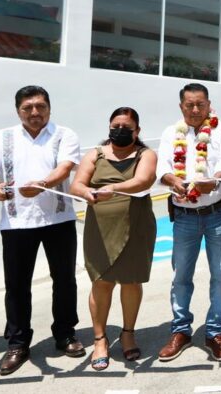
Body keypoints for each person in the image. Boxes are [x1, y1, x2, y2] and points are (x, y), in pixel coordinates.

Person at [0, 85, 84, 375]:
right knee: (16, 285)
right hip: (16, 222)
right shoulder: (2, 137)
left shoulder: (65, 134)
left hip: (58, 220)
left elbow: (65, 168)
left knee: (64, 280)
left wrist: (42, 184)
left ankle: (65, 334)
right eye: (28, 108)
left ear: (49, 108)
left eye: (40, 106)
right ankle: (17, 343)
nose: (35, 113)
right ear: (18, 110)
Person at [69, 107, 157, 370]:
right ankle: (100, 340)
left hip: (136, 224)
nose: (120, 130)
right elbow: (77, 184)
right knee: (101, 282)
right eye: (115, 125)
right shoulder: (94, 154)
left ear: (137, 131)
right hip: (100, 227)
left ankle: (128, 333)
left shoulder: (146, 154)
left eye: (126, 127)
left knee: (131, 281)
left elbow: (143, 181)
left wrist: (113, 188)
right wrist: (87, 193)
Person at [155, 83, 221, 363]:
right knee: (181, 277)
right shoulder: (171, 133)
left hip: (217, 212)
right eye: (189, 105)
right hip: (185, 217)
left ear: (208, 104)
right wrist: (172, 180)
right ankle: (181, 331)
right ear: (181, 107)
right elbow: (163, 167)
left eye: (200, 104)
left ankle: (215, 331)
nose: (194, 110)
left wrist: (214, 181)